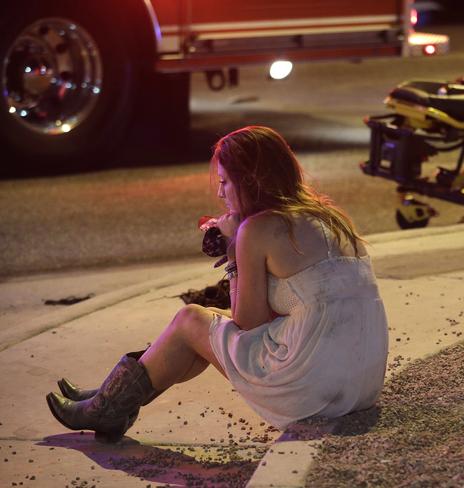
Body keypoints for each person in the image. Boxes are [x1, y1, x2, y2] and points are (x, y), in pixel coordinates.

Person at [46, 126, 389, 442]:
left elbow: (248, 325)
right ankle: (108, 401)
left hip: (312, 388)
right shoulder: (330, 217)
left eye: (225, 182)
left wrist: (234, 250)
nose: (219, 192)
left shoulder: (257, 229)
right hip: (362, 382)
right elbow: (293, 308)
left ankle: (108, 405)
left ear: (251, 179)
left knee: (190, 321)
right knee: (201, 333)